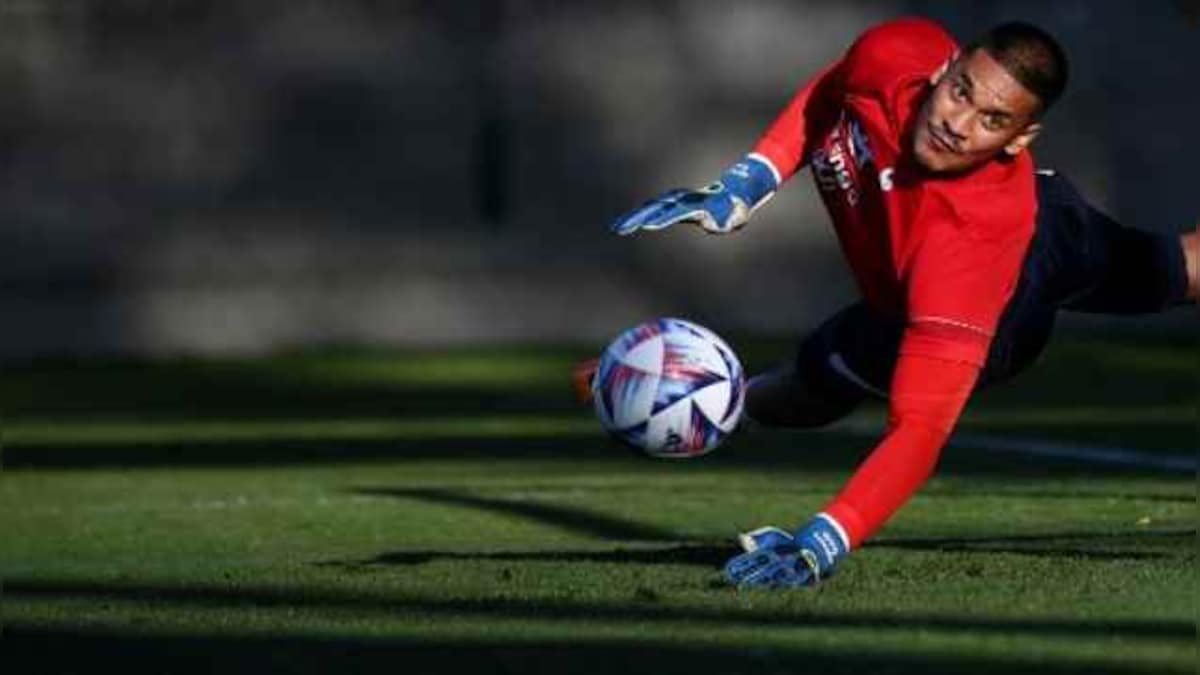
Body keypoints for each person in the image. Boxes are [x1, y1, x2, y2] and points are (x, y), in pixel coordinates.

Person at [580, 17, 1199, 589]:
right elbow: (832, 88)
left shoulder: (969, 246)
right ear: (942, 69)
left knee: (820, 377)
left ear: (1020, 138)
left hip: (1010, 295)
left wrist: (825, 540)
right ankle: (688, 398)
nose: (959, 123)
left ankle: (695, 401)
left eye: (993, 120)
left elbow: (921, 431)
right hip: (982, 246)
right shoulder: (894, 53)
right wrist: (750, 180)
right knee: (814, 375)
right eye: (962, 92)